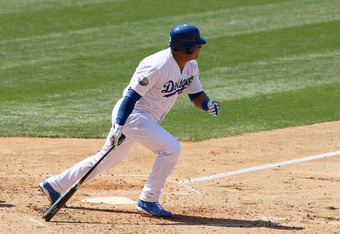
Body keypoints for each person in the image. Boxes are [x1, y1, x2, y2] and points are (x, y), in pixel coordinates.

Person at [39, 24, 220, 217]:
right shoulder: (156, 65)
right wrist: (119, 126)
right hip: (132, 116)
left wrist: (207, 103)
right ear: (187, 48)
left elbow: (196, 95)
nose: (200, 48)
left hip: (145, 119)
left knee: (107, 158)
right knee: (171, 149)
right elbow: (130, 97)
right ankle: (148, 199)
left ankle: (54, 185)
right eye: (197, 45)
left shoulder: (191, 66)